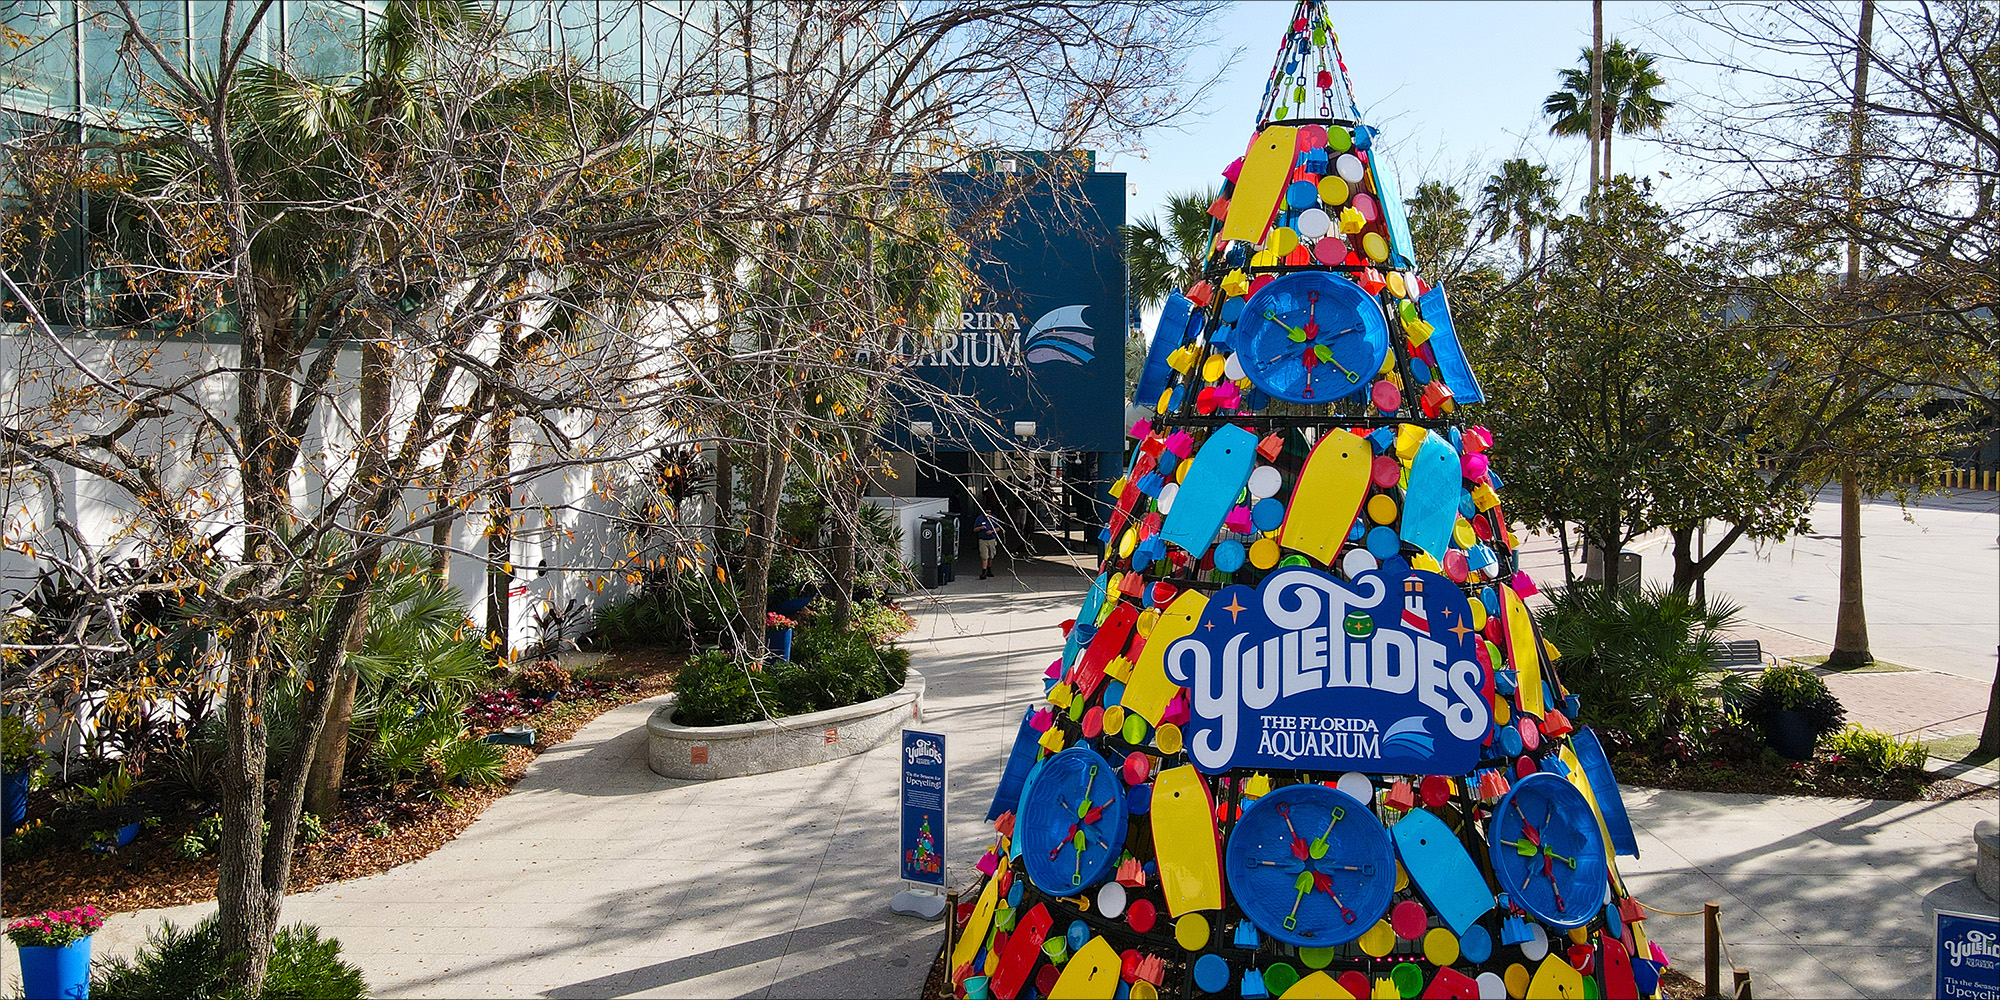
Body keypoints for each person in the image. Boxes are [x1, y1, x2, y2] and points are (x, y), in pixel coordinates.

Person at [974, 509, 1000, 579]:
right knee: (984, 556)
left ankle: (989, 569)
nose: (988, 514)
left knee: (991, 555)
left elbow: (998, 528)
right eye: (987, 513)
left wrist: (992, 531)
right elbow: (975, 529)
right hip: (983, 540)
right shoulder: (979, 519)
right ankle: (983, 572)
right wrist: (980, 528)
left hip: (991, 539)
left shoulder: (993, 518)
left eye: (989, 513)